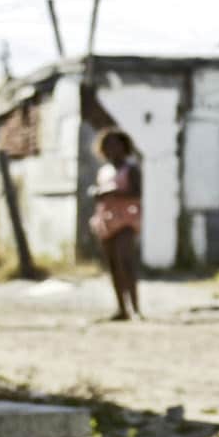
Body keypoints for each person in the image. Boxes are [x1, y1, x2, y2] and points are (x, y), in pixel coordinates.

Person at [89, 127, 144, 321]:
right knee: (113, 265)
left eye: (116, 143)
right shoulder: (104, 171)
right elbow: (101, 196)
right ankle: (121, 308)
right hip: (107, 219)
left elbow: (137, 193)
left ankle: (135, 308)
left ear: (124, 146)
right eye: (108, 144)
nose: (112, 148)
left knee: (126, 262)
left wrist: (113, 194)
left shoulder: (131, 169)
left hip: (126, 219)